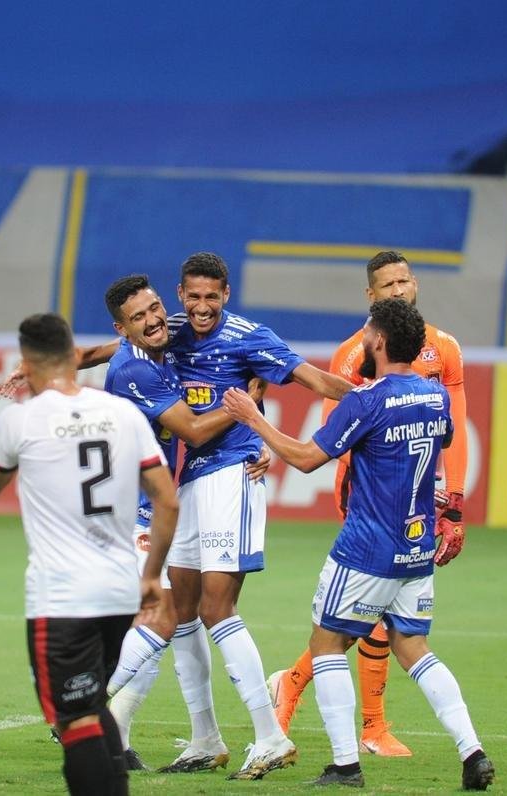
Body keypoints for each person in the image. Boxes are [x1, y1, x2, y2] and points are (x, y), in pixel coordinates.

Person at [77, 253, 353, 780]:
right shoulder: (164, 337)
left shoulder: (247, 335)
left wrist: (374, 397)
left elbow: (314, 379)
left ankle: (269, 735)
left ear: (225, 294)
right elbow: (104, 350)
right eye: (192, 298)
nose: (200, 308)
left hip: (233, 474)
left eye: (212, 297)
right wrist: (41, 363)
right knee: (180, 612)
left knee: (216, 608)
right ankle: (205, 737)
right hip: (192, 480)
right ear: (182, 295)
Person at [222, 298, 495, 790]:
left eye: (368, 330)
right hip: (416, 549)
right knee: (413, 647)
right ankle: (471, 751)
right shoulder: (434, 399)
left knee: (326, 646)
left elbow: (307, 459)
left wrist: (252, 418)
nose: (363, 337)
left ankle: (345, 765)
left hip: (367, 548)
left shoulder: (367, 402)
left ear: (381, 341)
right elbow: (446, 436)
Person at [267, 250, 471, 757]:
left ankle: (298, 688)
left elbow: (455, 431)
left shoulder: (444, 347)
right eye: (388, 284)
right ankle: (370, 726)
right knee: (376, 619)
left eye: (405, 280)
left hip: (419, 503)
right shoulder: (354, 354)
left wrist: (455, 503)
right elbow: (344, 435)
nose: (399, 289)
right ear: (371, 296)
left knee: (370, 618)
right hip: (371, 500)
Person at [0, 313, 178, 796]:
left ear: (25, 362)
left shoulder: (20, 419)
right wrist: (151, 575)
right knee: (91, 707)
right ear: (74, 355)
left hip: (61, 597)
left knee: (73, 719)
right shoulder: (122, 413)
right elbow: (167, 499)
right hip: (119, 589)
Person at [98, 273, 269, 772]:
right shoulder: (136, 370)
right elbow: (193, 430)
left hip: (149, 507)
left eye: (154, 309)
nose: (153, 321)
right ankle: (90, 709)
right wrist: (247, 407)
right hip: (128, 510)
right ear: (122, 328)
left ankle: (179, 737)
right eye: (139, 318)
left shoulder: (162, 346)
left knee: (181, 616)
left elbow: (95, 352)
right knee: (166, 616)